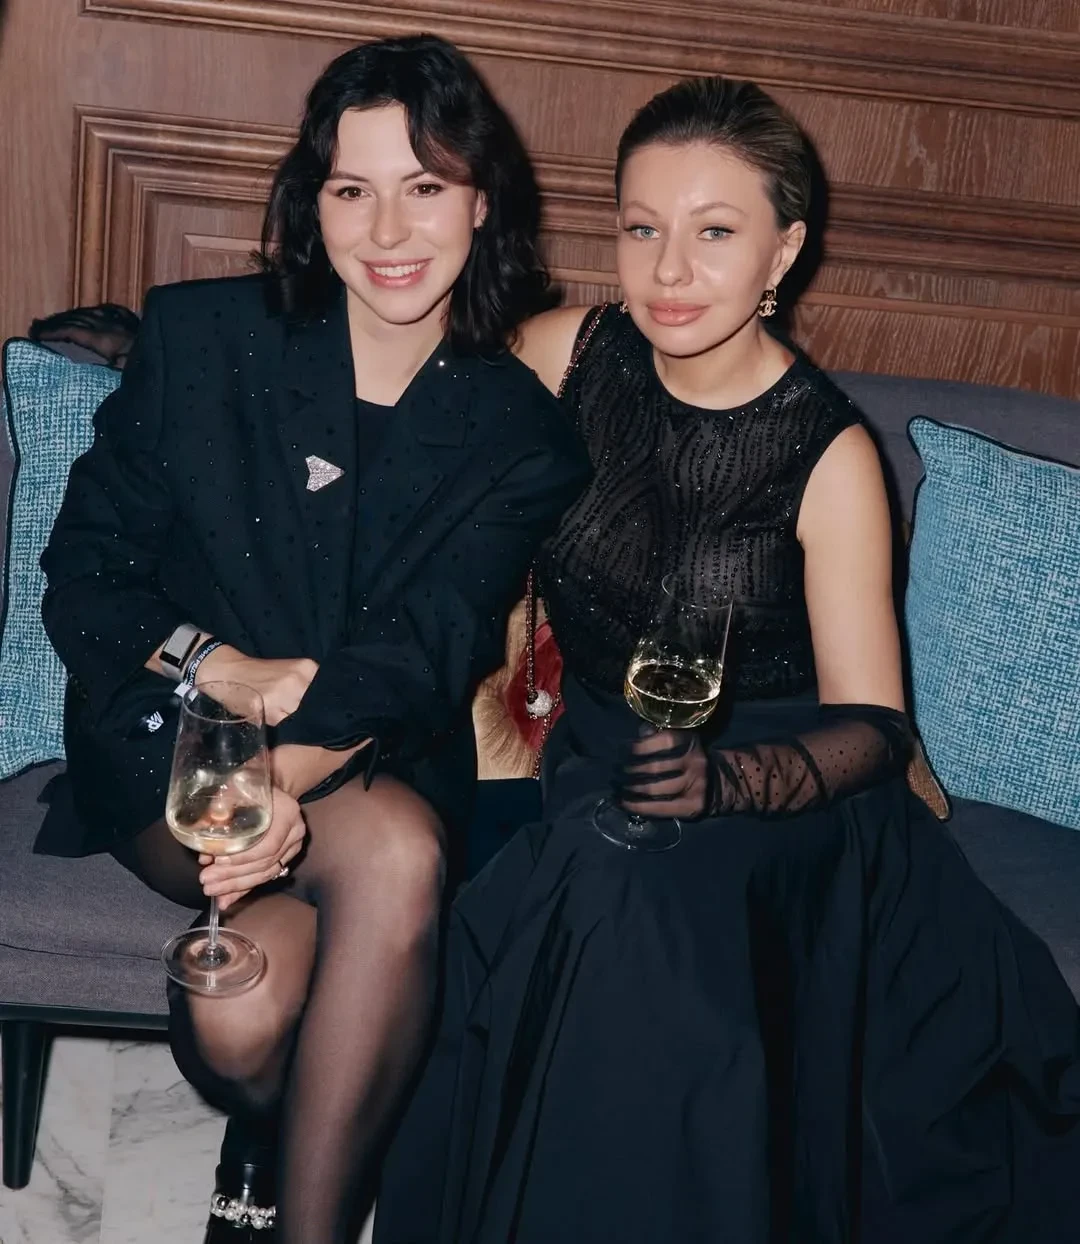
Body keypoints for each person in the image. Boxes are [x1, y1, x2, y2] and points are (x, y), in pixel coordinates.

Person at [373, 76, 1080, 1243]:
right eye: (642, 227)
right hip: (608, 750)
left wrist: (732, 783)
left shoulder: (829, 455)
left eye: (714, 233)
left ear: (782, 252)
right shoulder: (563, 356)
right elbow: (400, 433)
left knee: (619, 899)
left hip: (786, 794)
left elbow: (877, 728)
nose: (669, 270)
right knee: (599, 877)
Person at [37, 34, 588, 1244]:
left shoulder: (521, 434)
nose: (388, 229)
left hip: (374, 751)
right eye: (351, 188)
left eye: (426, 185)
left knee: (246, 1015)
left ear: (482, 202)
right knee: (384, 870)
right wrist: (211, 665)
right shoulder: (204, 337)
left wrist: (280, 785)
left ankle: (277, 1167)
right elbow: (85, 575)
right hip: (167, 742)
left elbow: (429, 651)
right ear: (312, 202)